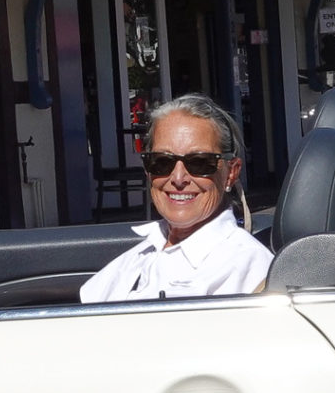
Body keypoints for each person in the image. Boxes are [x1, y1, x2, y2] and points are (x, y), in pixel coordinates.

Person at [79, 94, 272, 301]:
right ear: (147, 171)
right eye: (161, 162)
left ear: (231, 173)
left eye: (199, 162)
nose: (178, 178)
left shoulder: (249, 267)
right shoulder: (142, 252)